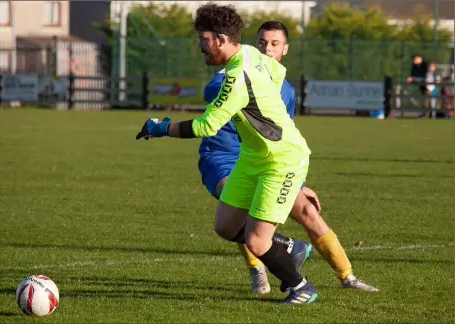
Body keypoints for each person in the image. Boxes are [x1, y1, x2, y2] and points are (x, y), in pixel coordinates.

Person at [137, 4, 318, 304]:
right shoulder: (249, 51)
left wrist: (161, 127)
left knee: (257, 241)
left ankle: (300, 287)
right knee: (226, 226)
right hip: (252, 156)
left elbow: (206, 125)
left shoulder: (235, 78)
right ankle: (289, 248)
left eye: (203, 39)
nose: (199, 46)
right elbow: (277, 70)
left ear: (221, 39)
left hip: (282, 160)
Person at [199, 20, 378, 294]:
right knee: (239, 207)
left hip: (268, 158)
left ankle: (347, 276)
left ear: (285, 50)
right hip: (223, 155)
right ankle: (259, 269)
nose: (267, 49)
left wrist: (301, 182)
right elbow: (214, 90)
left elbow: (285, 135)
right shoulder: (232, 74)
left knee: (307, 210)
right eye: (261, 43)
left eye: (274, 44)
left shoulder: (286, 91)